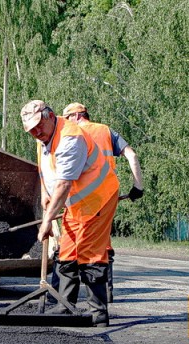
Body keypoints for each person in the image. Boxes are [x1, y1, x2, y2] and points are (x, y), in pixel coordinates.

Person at [20, 100, 120, 327]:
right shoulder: (42, 137)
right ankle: (64, 306)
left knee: (89, 253)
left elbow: (64, 184)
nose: (35, 132)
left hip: (98, 199)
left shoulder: (70, 138)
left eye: (38, 126)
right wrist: (45, 192)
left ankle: (99, 314)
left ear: (51, 116)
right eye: (30, 129)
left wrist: (46, 222)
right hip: (76, 203)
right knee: (66, 251)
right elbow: (45, 168)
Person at [61, 102, 144, 303]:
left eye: (65, 119)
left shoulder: (71, 134)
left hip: (81, 199)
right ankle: (104, 297)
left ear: (75, 116)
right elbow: (131, 155)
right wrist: (137, 187)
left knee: (73, 246)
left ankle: (65, 302)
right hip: (107, 197)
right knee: (101, 244)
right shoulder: (106, 131)